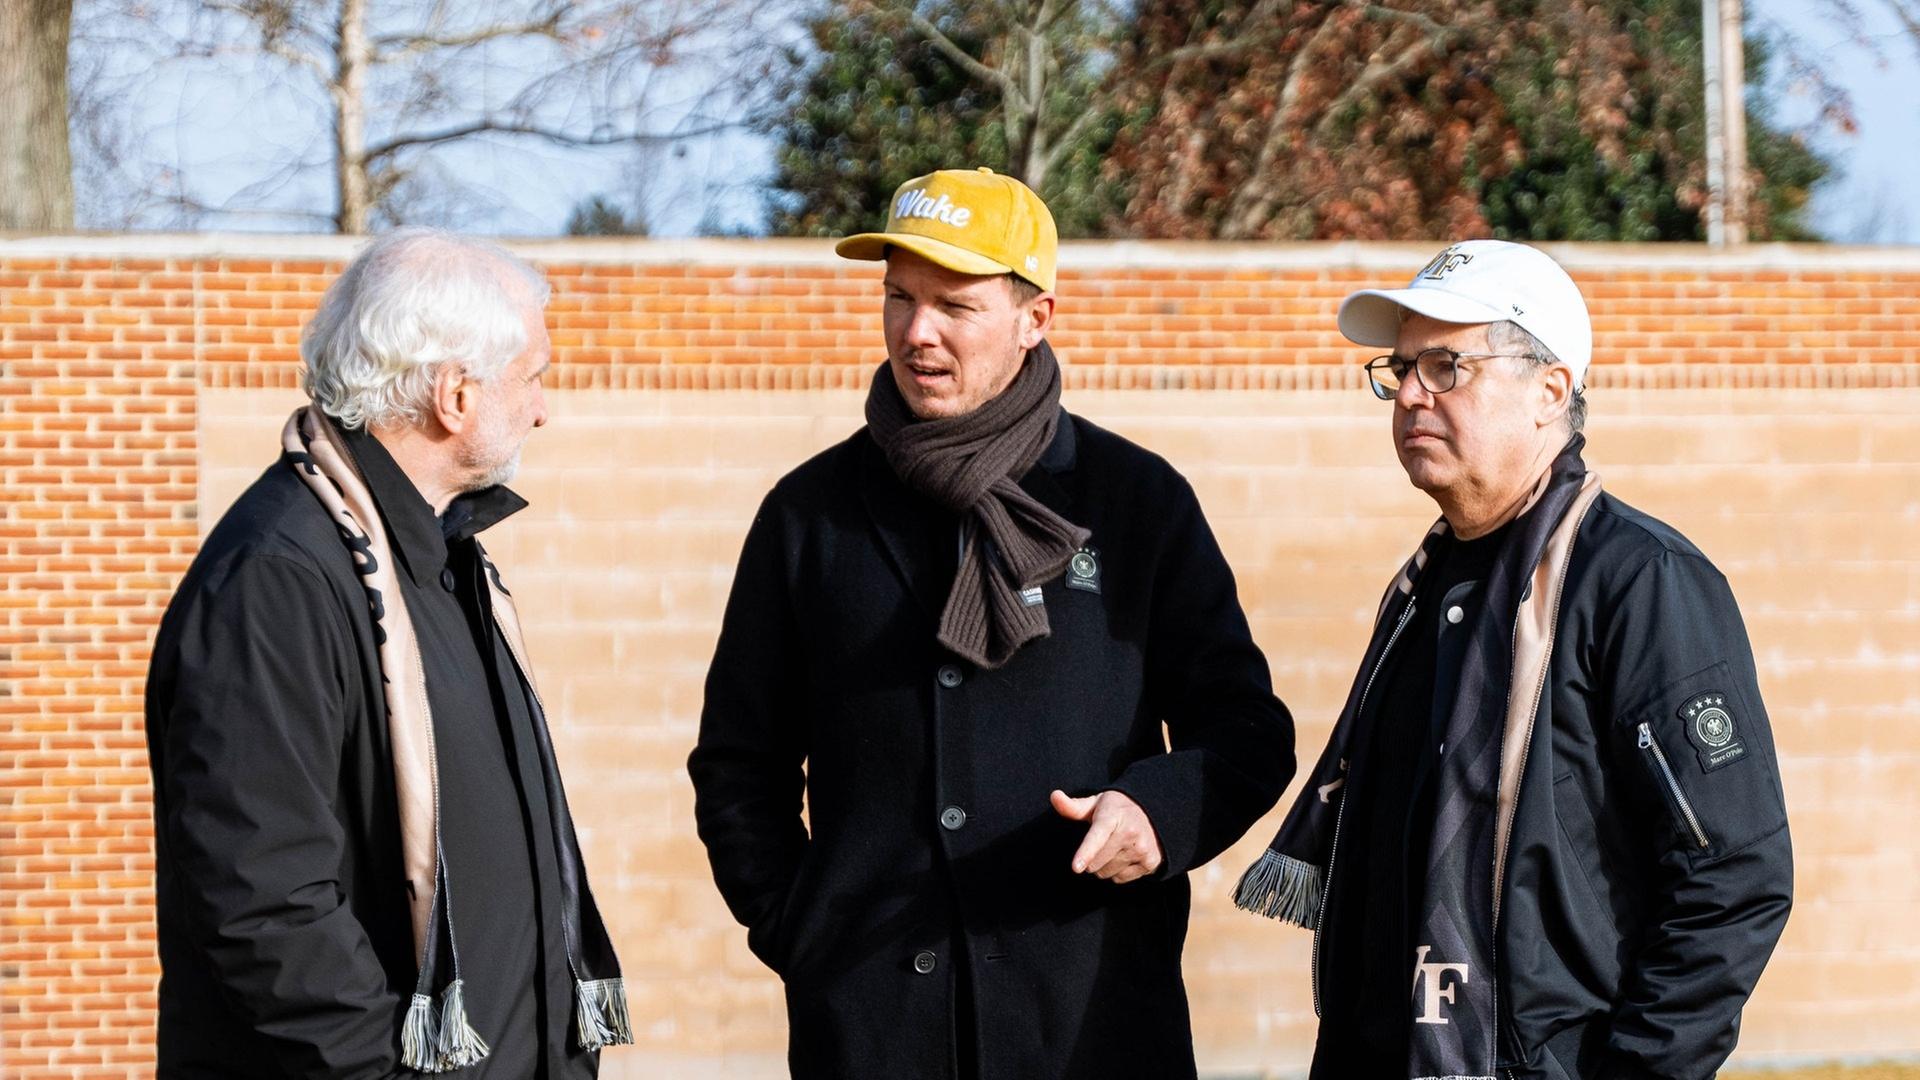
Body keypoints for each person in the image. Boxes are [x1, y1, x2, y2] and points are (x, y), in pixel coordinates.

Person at [689, 167, 1296, 1079]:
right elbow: (740, 763)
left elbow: (1247, 731)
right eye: (898, 297)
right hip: (873, 1030)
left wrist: (1158, 815)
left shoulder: (1137, 504)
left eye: (954, 305)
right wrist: (802, 929)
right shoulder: (807, 515)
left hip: (1090, 1022)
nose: (917, 331)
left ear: (1035, 319)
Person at [1235, 240, 1792, 1080]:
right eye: (1400, 369)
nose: (1412, 393)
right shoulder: (1428, 592)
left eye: (1446, 366)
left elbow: (1734, 874)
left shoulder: (1638, 582)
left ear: (1550, 390)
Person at [144, 229, 628, 1078]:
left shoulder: (443, 561)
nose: (545, 408)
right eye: (534, 377)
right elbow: (264, 904)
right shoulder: (279, 579)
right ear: (455, 395)